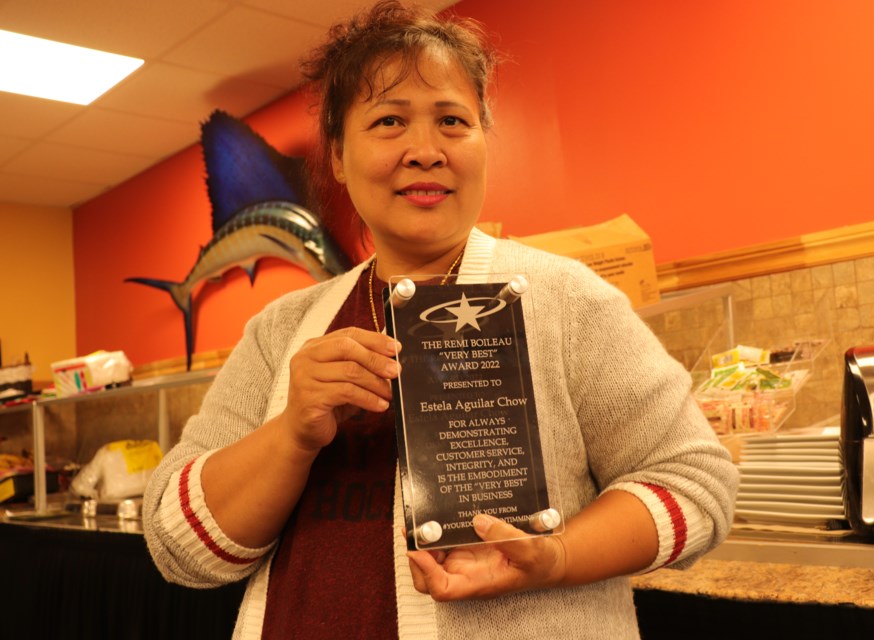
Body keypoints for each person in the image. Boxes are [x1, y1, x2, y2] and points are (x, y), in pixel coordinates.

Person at [142, 2, 739, 638]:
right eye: (389, 121)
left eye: (452, 121)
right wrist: (292, 432)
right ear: (338, 157)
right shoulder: (281, 330)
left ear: (482, 141)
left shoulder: (568, 301)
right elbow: (180, 548)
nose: (425, 151)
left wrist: (556, 556)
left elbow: (695, 484)